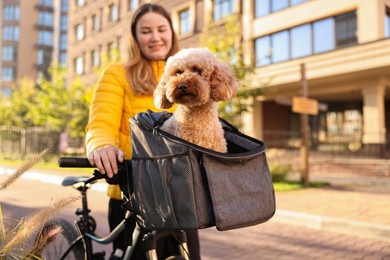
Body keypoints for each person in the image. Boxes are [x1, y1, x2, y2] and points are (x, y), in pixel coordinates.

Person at [85, 3, 201, 259]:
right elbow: (101, 121)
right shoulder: (117, 74)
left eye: (161, 29)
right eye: (146, 31)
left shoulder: (188, 73)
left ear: (172, 32)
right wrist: (100, 145)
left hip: (178, 193)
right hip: (131, 194)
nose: (155, 37)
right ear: (135, 37)